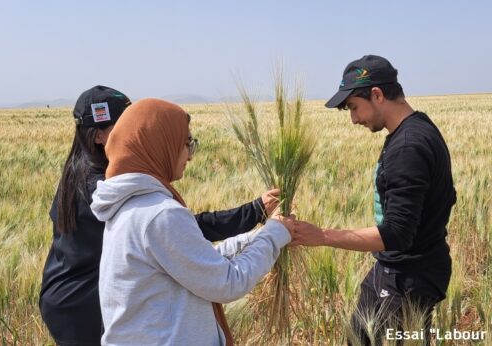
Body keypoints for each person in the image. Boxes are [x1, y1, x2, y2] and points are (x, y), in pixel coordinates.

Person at [38, 86, 281, 346]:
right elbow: (194, 247)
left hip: (66, 298)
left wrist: (253, 228)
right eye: (124, 125)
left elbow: (184, 242)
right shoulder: (115, 194)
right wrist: (262, 222)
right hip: (82, 306)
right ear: (98, 136)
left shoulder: (107, 186)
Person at [290, 55, 456, 345]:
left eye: (354, 107)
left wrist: (322, 235)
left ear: (377, 95)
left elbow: (396, 233)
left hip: (404, 279)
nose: (353, 119)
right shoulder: (418, 129)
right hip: (409, 271)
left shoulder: (408, 147)